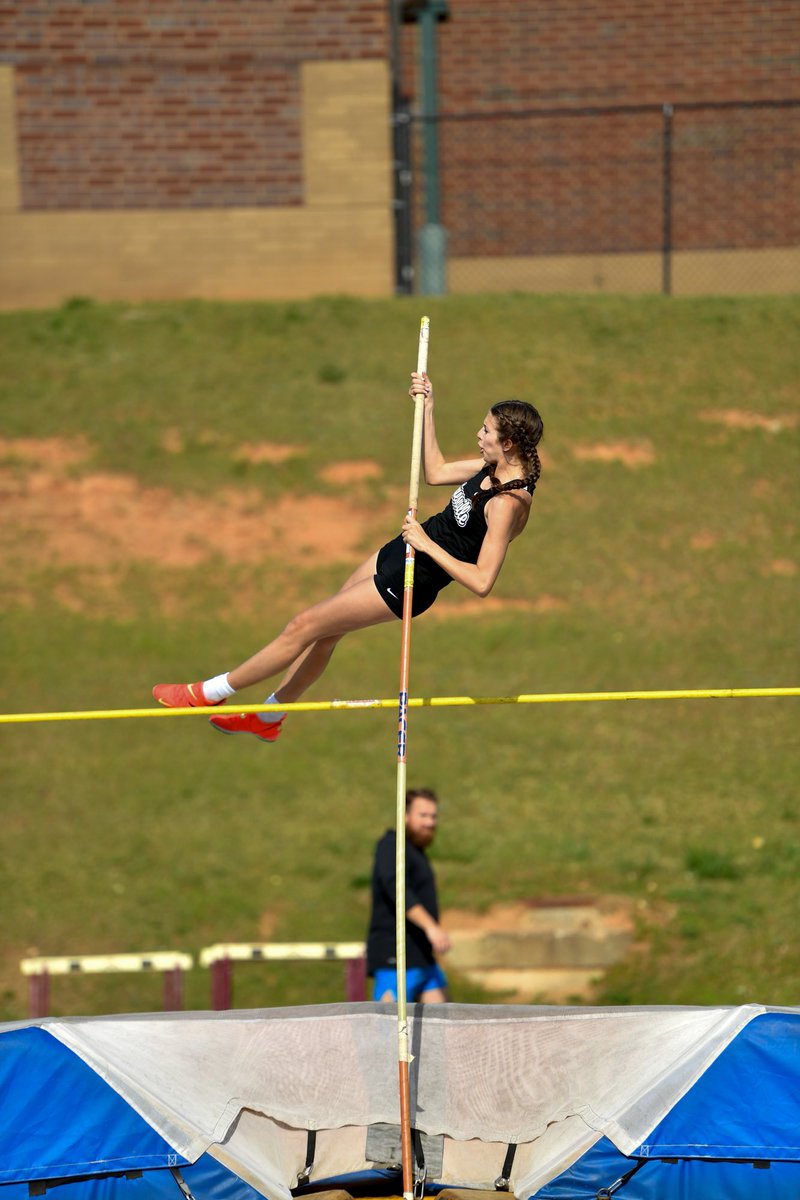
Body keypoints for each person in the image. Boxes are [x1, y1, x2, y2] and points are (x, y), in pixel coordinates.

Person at [153, 371, 543, 740]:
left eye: (486, 431)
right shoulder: (491, 466)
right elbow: (435, 470)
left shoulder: (508, 503)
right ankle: (269, 718)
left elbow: (482, 581)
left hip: (410, 581)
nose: (478, 435)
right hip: (401, 550)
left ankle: (209, 691)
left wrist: (425, 543)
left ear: (508, 442)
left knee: (302, 626)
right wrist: (428, 408)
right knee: (325, 633)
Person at [367, 787, 450, 1003]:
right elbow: (397, 887)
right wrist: (431, 926)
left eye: (433, 816)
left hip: (423, 959)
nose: (430, 822)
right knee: (389, 1031)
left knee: (444, 1028)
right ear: (404, 816)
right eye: (423, 815)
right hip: (396, 959)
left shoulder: (417, 853)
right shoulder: (391, 845)